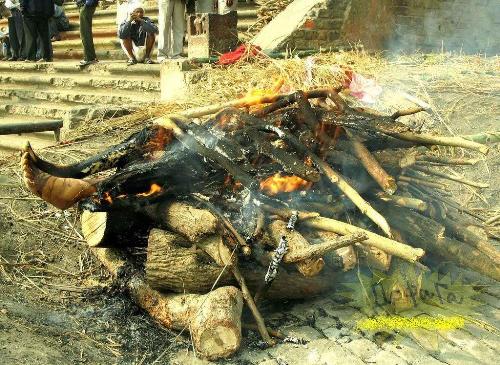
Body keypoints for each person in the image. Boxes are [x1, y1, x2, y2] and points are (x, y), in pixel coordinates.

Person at [76, 0, 98, 67]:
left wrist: (87, 4)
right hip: (86, 5)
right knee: (85, 33)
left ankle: (89, 58)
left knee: (85, 33)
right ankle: (91, 57)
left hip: (87, 5)